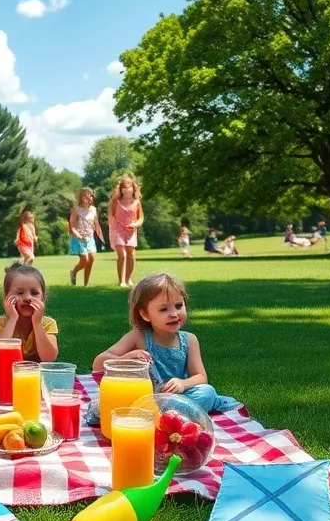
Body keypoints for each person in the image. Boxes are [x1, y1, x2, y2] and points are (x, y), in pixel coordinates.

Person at [93, 272, 240, 413]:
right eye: (163, 309)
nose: (174, 314)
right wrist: (124, 359)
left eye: (179, 306)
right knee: (118, 397)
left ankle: (162, 415)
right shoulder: (138, 337)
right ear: (145, 314)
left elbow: (201, 377)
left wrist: (182, 384)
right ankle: (174, 415)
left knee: (207, 392)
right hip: (145, 396)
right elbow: (98, 364)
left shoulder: (189, 340)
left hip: (179, 397)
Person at [0, 263, 59, 364]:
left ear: (43, 298)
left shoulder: (48, 324)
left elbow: (49, 358)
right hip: (6, 373)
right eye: (19, 293)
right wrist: (12, 319)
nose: (28, 298)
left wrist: (37, 324)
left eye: (34, 293)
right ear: (6, 298)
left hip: (34, 376)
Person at [108, 174, 144, 288]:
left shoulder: (137, 202)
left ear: (133, 188)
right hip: (118, 228)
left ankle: (128, 280)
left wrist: (135, 224)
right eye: (123, 186)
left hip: (131, 229)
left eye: (128, 186)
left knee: (131, 254)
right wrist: (113, 225)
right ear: (121, 189)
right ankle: (121, 281)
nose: (126, 188)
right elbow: (111, 214)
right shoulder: (116, 201)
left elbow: (141, 218)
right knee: (122, 254)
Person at [68, 187, 104, 286]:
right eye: (85, 195)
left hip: (89, 237)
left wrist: (102, 237)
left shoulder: (93, 210)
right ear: (81, 197)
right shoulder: (76, 210)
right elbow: (72, 227)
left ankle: (86, 284)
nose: (88, 197)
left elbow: (96, 224)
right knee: (85, 259)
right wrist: (79, 236)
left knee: (91, 258)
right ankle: (74, 273)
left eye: (90, 195)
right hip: (78, 237)